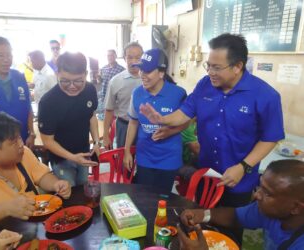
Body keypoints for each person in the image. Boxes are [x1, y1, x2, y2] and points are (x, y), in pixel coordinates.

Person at [140, 34, 284, 205]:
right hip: (206, 174)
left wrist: (243, 167)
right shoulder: (205, 85)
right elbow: (184, 112)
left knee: (230, 227)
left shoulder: (265, 96)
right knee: (202, 220)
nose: (210, 72)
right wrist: (162, 119)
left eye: (216, 68)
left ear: (238, 66)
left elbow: (271, 137)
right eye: (208, 66)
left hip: (239, 179)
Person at [0, 112, 71, 239]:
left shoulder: (22, 153)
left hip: (33, 232)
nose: (21, 144)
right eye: (14, 142)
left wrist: (55, 184)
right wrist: (6, 209)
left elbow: (42, 175)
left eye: (19, 138)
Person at [178, 159, 304, 250]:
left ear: (296, 208)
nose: (256, 195)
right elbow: (235, 216)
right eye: (260, 187)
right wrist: (202, 215)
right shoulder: (271, 211)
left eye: (268, 193)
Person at [123, 48, 188, 193]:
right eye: (141, 70)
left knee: (162, 199)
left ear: (161, 72)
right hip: (144, 156)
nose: (142, 75)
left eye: (147, 71)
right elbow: (133, 122)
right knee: (144, 196)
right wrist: (127, 151)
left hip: (169, 157)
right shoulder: (137, 93)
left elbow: (187, 121)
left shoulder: (178, 94)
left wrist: (170, 132)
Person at [38, 52, 100, 187]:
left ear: (86, 74)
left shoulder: (90, 89)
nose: (72, 86)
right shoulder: (48, 102)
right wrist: (72, 158)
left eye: (78, 80)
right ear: (57, 74)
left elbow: (91, 116)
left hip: (84, 154)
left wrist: (96, 143)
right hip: (61, 159)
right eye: (65, 81)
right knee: (68, 192)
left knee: (83, 188)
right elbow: (47, 141)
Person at [102, 42, 143, 149]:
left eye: (138, 57)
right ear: (125, 58)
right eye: (130, 57)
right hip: (123, 126)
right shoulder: (115, 81)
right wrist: (106, 135)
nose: (134, 61)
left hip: (145, 127)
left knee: (144, 160)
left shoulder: (150, 79)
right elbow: (109, 109)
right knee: (124, 160)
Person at [97, 49, 125, 120]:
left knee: (114, 120)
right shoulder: (103, 68)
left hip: (115, 99)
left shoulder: (122, 70)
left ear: (115, 56)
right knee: (104, 118)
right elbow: (100, 82)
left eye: (111, 55)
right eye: (108, 56)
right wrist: (98, 78)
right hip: (104, 97)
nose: (109, 57)